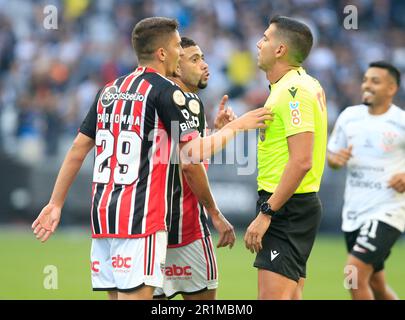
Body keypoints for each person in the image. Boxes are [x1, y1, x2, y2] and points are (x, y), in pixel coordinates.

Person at [31, 17, 272, 300]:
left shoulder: (108, 90)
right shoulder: (167, 92)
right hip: (142, 219)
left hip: (104, 220)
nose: (179, 53)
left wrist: (55, 203)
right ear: (162, 53)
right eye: (176, 47)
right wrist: (236, 127)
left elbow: (77, 148)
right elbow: (190, 156)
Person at [243, 15, 328, 300]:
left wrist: (267, 213)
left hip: (286, 207)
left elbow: (302, 160)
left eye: (266, 38)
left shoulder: (294, 92)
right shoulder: (300, 85)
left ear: (280, 50)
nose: (259, 43)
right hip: (292, 204)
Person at [154, 37, 236, 300]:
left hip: (151, 228)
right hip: (185, 227)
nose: (204, 65)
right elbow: (188, 165)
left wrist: (217, 132)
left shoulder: (176, 102)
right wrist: (216, 213)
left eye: (202, 57)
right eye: (195, 59)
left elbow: (189, 158)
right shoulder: (183, 102)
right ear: (176, 68)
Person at [327, 61, 405, 300]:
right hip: (355, 213)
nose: (367, 85)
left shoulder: (401, 122)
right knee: (377, 285)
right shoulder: (349, 117)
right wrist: (336, 159)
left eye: (375, 81)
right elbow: (332, 156)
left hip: (387, 211)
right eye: (365, 80)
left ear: (391, 89)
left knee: (353, 274)